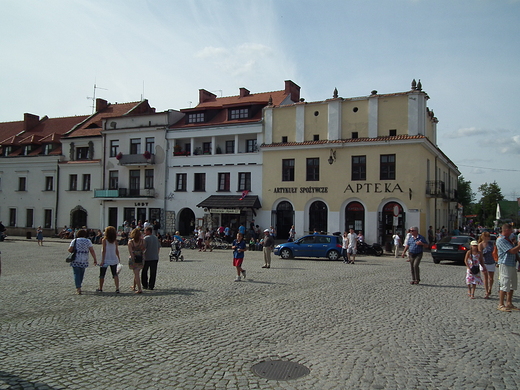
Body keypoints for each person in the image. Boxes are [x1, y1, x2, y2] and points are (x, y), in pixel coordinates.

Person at [496, 223, 520, 312]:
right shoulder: (501, 240)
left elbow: (515, 251)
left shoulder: (508, 239)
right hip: (505, 263)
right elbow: (512, 251)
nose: (511, 232)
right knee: (504, 284)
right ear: (506, 230)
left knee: (512, 284)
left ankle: (509, 303)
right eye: (510, 230)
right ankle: (501, 304)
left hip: (512, 263)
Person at [68, 229, 97, 295]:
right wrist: (94, 259)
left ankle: (78, 287)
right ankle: (79, 285)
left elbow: (70, 249)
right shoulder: (88, 241)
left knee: (76, 273)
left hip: (76, 259)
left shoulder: (74, 240)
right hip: (84, 259)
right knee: (81, 274)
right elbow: (92, 250)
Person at [97, 226, 121, 293]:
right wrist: (118, 258)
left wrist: (102, 260)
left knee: (102, 274)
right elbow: (117, 250)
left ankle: (100, 288)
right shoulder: (115, 241)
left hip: (106, 259)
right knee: (115, 274)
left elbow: (104, 250)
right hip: (113, 258)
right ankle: (117, 288)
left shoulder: (104, 240)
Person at [142, 226, 161, 290]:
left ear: (148, 231)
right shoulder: (156, 238)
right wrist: (156, 254)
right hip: (155, 257)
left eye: (145, 230)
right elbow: (158, 247)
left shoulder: (146, 238)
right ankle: (151, 285)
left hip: (147, 257)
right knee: (153, 272)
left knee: (144, 271)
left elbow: (143, 247)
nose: (144, 232)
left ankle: (145, 284)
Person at [128, 228, 146, 294]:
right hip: (141, 257)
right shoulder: (142, 241)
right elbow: (144, 249)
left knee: (136, 274)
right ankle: (134, 286)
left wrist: (133, 259)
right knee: (137, 273)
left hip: (134, 258)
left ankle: (139, 289)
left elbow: (130, 252)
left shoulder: (130, 242)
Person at [478, 232, 495, 299]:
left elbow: (494, 252)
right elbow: (480, 254)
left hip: (491, 262)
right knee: (485, 277)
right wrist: (481, 263)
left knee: (491, 278)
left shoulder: (491, 244)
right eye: (487, 236)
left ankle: (490, 288)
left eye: (489, 236)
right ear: (484, 237)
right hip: (484, 262)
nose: (489, 238)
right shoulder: (480, 245)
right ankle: (486, 291)